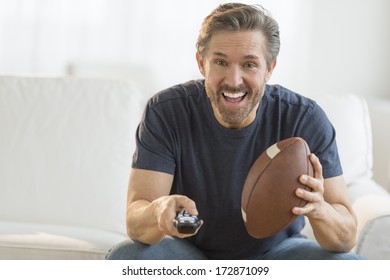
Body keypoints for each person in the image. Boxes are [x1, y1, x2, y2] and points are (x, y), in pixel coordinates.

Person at [106, 2, 362, 260]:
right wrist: (158, 211)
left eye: (249, 65)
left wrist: (320, 209)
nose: (234, 80)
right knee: (127, 256)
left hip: (277, 253)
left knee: (348, 265)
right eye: (220, 62)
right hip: (189, 253)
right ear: (202, 63)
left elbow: (346, 238)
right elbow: (136, 222)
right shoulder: (166, 112)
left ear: (269, 68)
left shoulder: (304, 118)